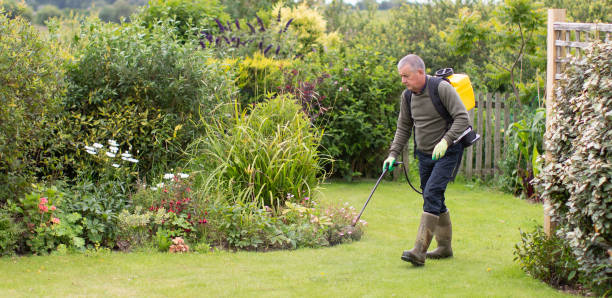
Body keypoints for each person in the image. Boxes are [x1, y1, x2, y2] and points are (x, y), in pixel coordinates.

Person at [383, 54, 469, 267]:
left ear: (420, 72)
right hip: (424, 155)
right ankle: (444, 248)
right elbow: (403, 126)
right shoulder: (408, 96)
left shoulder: (441, 88)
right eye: (401, 76)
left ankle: (419, 250)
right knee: (432, 195)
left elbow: (462, 118)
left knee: (431, 193)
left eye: (406, 76)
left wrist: (446, 141)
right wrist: (393, 154)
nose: (403, 80)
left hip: (447, 152)